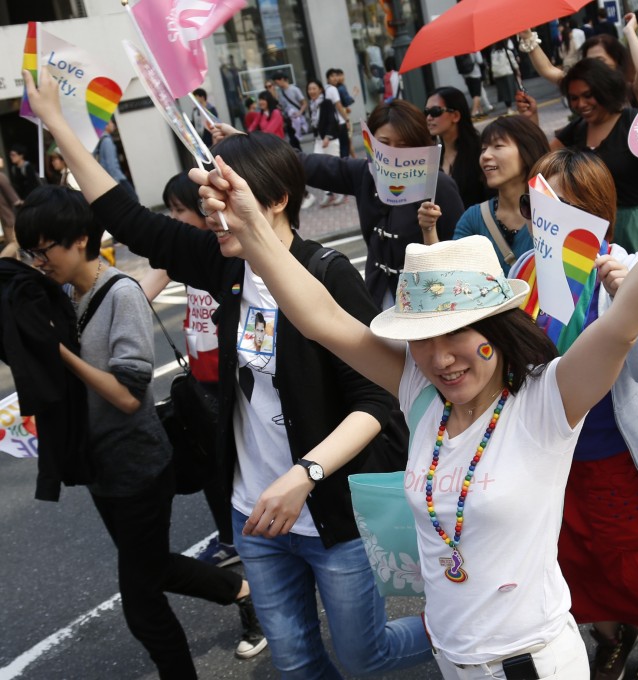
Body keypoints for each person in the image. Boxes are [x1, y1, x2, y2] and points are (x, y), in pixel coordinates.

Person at [189, 76, 638, 680]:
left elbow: (625, 322)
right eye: (423, 337)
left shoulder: (544, 401)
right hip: (456, 659)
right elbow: (320, 318)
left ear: (497, 330)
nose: (442, 356)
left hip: (528, 663)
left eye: (460, 334)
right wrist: (252, 227)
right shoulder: (421, 394)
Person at [26, 66, 433, 680]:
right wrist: (57, 122)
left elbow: (379, 401)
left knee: (361, 655)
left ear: (271, 200)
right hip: (254, 516)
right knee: (296, 663)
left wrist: (305, 475)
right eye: (207, 203)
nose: (210, 215)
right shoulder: (226, 267)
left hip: (328, 515)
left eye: (222, 200)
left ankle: (458, 624)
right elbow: (127, 217)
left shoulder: (326, 274)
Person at [16, 185, 267, 677]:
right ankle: (241, 591)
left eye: (44, 249)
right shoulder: (66, 293)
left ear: (80, 239)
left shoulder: (120, 295)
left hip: (138, 464)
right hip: (98, 464)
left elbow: (130, 396)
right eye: (32, 250)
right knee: (152, 565)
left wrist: (59, 352)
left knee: (141, 602)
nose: (38, 261)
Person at [520, 149, 638, 680]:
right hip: (558, 451)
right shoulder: (523, 270)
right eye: (544, 206)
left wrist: (630, 304)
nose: (552, 221)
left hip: (623, 450)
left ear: (596, 213)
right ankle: (608, 636)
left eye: (569, 208)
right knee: (580, 557)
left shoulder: (629, 267)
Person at [238, 99, 464, 308]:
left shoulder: (437, 184)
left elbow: (459, 252)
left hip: (429, 299)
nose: (392, 154)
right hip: (379, 297)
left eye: (403, 146)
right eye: (384, 144)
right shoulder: (365, 173)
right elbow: (304, 164)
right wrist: (246, 146)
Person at [551, 58, 638, 387]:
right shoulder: (576, 130)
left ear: (605, 90)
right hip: (592, 227)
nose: (581, 104)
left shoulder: (631, 119)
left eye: (588, 95)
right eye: (574, 98)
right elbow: (549, 162)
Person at [137, 173, 240, 569]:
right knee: (210, 460)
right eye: (170, 209)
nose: (173, 217)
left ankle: (250, 533)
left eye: (179, 208)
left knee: (234, 460)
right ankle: (231, 537)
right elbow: (139, 291)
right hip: (201, 379)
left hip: (233, 378)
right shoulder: (182, 255)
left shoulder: (228, 253)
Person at [418, 115, 550, 270]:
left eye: (498, 146)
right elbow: (449, 275)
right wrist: (429, 229)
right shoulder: (473, 219)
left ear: (527, 151)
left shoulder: (551, 215)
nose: (485, 156)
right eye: (483, 149)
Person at [518, 12, 638, 109]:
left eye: (600, 60)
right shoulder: (582, 88)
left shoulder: (631, 92)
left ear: (616, 62)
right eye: (590, 61)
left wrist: (630, 31)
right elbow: (548, 70)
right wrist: (527, 36)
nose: (595, 66)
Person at [424, 87, 487, 208]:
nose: (429, 118)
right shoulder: (433, 156)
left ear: (456, 116)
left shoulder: (480, 153)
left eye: (436, 111)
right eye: (426, 112)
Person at [307, 78, 348, 208]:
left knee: (334, 166)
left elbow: (331, 120)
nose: (311, 91)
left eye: (314, 88)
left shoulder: (327, 103)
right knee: (317, 167)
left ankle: (343, 192)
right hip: (319, 141)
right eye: (309, 89)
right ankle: (329, 193)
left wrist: (327, 137)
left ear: (320, 90)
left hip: (330, 139)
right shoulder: (311, 105)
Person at [94, 120, 138, 203]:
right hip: (118, 179)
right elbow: (111, 165)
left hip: (110, 180)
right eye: (111, 122)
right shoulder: (107, 141)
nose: (113, 124)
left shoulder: (101, 141)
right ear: (105, 126)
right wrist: (117, 184)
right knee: (134, 200)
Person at [271, 71, 307, 150]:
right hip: (288, 119)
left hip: (296, 118)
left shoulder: (294, 89)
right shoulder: (280, 92)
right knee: (293, 141)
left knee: (295, 141)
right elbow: (280, 105)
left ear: (282, 79)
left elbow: (304, 103)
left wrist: (300, 112)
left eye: (277, 82)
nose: (277, 85)